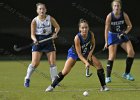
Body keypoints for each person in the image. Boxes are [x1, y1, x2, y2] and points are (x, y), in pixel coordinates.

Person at [45, 19, 109, 92]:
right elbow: (79, 54)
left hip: (86, 53)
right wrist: (86, 62)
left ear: (88, 28)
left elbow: (93, 44)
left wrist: (90, 53)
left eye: (86, 27)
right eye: (82, 28)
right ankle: (52, 86)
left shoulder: (91, 34)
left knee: (99, 65)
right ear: (79, 29)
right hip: (74, 53)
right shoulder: (77, 38)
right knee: (65, 71)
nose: (84, 29)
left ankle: (103, 86)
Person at [24, 3, 60, 87]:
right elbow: (32, 34)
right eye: (40, 9)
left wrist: (55, 33)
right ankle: (27, 78)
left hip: (48, 41)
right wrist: (35, 40)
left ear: (46, 10)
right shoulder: (34, 21)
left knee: (52, 63)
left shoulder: (50, 18)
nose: (42, 10)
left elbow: (57, 27)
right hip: (38, 42)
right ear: (37, 11)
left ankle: (54, 81)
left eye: (43, 9)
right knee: (35, 63)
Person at [104, 0, 135, 83]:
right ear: (112, 7)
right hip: (112, 35)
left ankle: (126, 74)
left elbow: (130, 26)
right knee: (112, 56)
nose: (116, 7)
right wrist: (106, 42)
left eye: (118, 6)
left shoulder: (124, 15)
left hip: (121, 35)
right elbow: (106, 30)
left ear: (120, 7)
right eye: (115, 6)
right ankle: (108, 77)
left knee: (131, 53)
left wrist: (124, 33)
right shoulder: (109, 16)